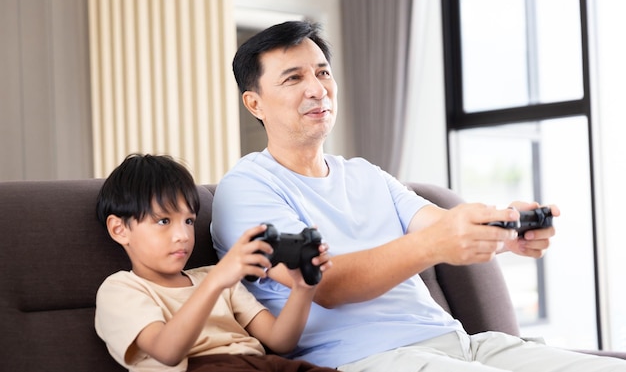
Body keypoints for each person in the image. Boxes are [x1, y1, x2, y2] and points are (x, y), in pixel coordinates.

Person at [211, 21, 626, 371]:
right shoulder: (245, 189)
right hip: (370, 358)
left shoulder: (365, 174)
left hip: (460, 344)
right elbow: (326, 284)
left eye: (322, 72)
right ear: (254, 103)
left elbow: (439, 226)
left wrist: (503, 230)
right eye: (294, 78)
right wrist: (435, 243)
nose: (318, 89)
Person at [94, 153, 334, 372]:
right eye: (164, 221)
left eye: (188, 221)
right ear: (119, 229)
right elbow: (167, 352)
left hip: (260, 363)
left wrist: (303, 288)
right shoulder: (120, 289)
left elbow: (280, 341)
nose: (183, 235)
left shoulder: (216, 277)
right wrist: (216, 281)